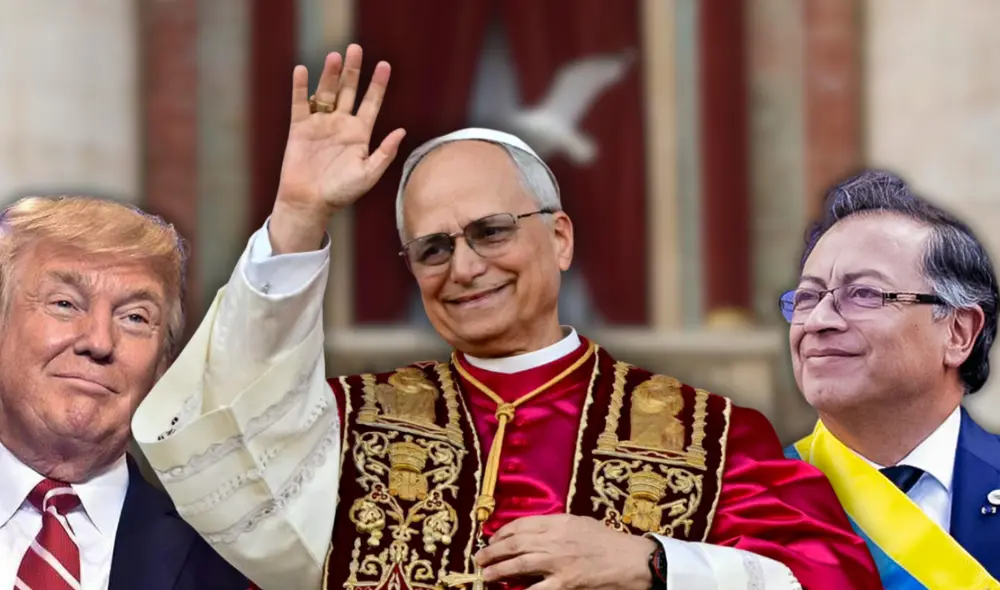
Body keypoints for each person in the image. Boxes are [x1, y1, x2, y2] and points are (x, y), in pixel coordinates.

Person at [132, 44, 881, 590]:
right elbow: (230, 441)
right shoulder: (344, 423)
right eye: (432, 249)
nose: (463, 268)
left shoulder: (710, 434)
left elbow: (835, 578)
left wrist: (653, 563)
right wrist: (297, 217)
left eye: (490, 232)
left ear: (558, 237)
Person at [0, 196, 248, 590]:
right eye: (65, 304)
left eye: (134, 318)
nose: (99, 342)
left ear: (161, 366)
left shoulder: (227, 571)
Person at [781, 170, 1000, 589]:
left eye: (863, 294)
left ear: (958, 333)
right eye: (808, 297)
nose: (818, 321)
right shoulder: (742, 504)